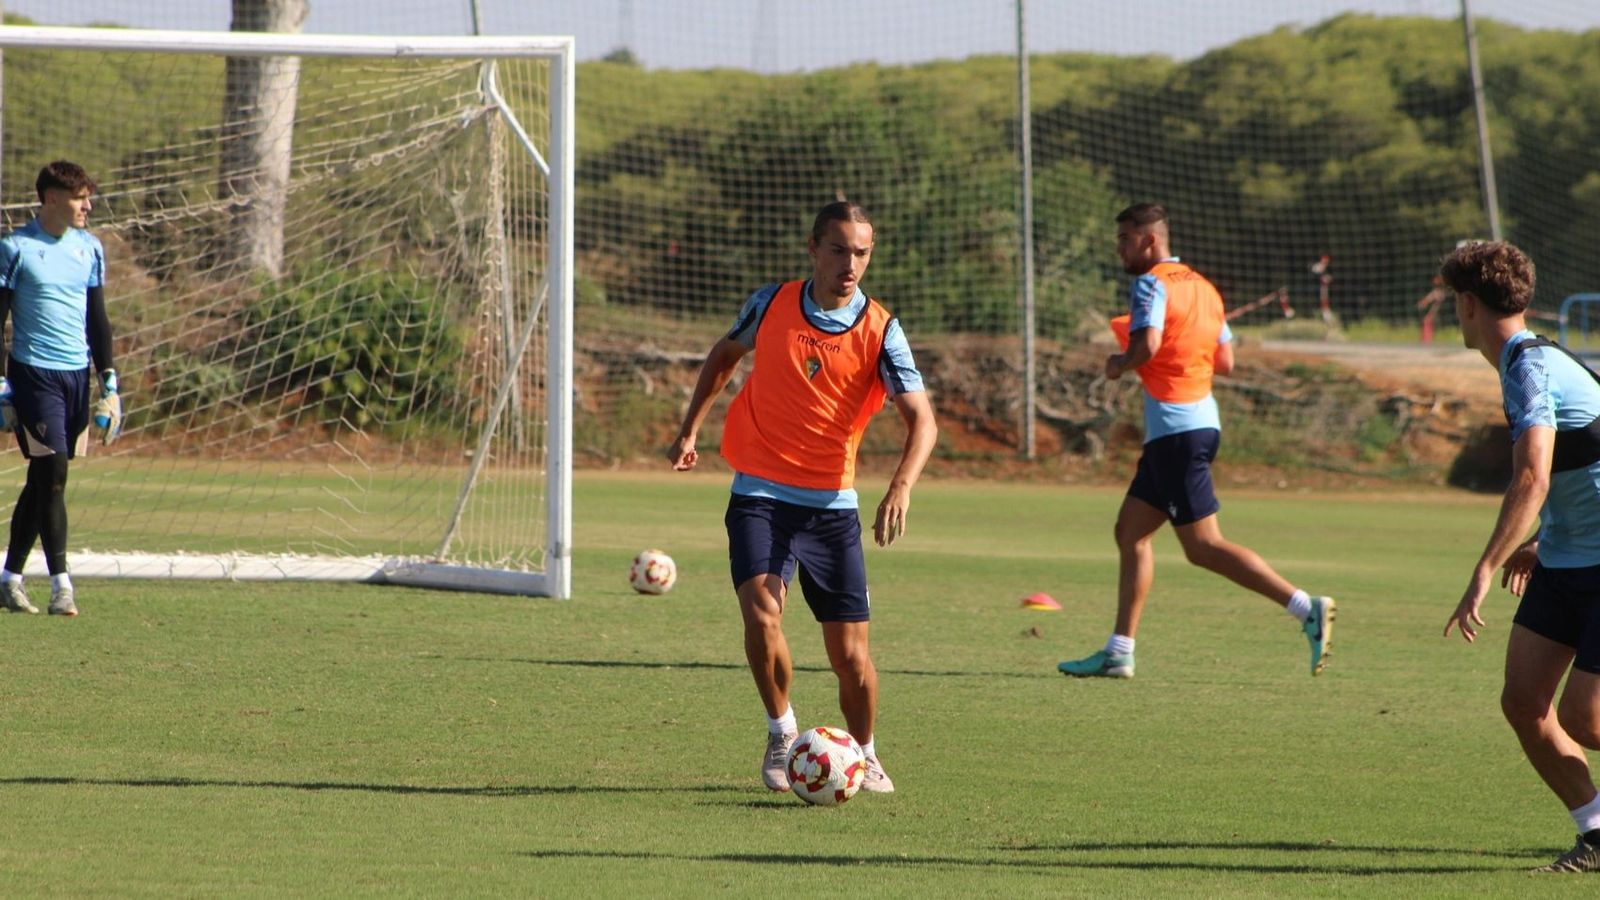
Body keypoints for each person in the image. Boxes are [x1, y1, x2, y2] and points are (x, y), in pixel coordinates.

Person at [667, 200, 937, 794]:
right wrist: (690, 429)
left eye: (861, 253)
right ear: (814, 248)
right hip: (759, 494)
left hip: (832, 507)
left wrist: (901, 485)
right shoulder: (770, 304)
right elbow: (724, 356)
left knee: (851, 658)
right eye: (838, 250)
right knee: (762, 613)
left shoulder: (882, 331)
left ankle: (863, 753)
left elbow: (923, 420)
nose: (850, 264)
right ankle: (781, 731)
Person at [1057, 203, 1334, 679]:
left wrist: (1118, 364)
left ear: (1149, 240)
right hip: (1195, 424)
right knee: (1131, 532)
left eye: (1124, 239)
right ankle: (1119, 651)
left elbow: (1147, 346)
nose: (1119, 249)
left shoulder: (1151, 284)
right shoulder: (1204, 288)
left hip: (1177, 431)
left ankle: (1305, 606)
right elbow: (1225, 361)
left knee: (1203, 546)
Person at [1442, 240, 1600, 874]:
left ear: (1468, 304)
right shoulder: (1530, 359)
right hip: (1566, 557)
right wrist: (1539, 540)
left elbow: (1532, 477)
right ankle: (1597, 833)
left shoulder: (1531, 368)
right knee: (1524, 701)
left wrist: (1484, 567)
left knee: (1586, 717)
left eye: (1453, 303)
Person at [0, 160, 121, 618]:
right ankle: (61, 586)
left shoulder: (90, 248)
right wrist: (2, 387)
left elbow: (98, 321)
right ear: (52, 199)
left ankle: (9, 579)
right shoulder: (15, 248)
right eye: (79, 198)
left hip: (76, 378)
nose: (88, 206)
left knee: (43, 479)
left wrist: (109, 384)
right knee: (53, 473)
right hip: (34, 376)